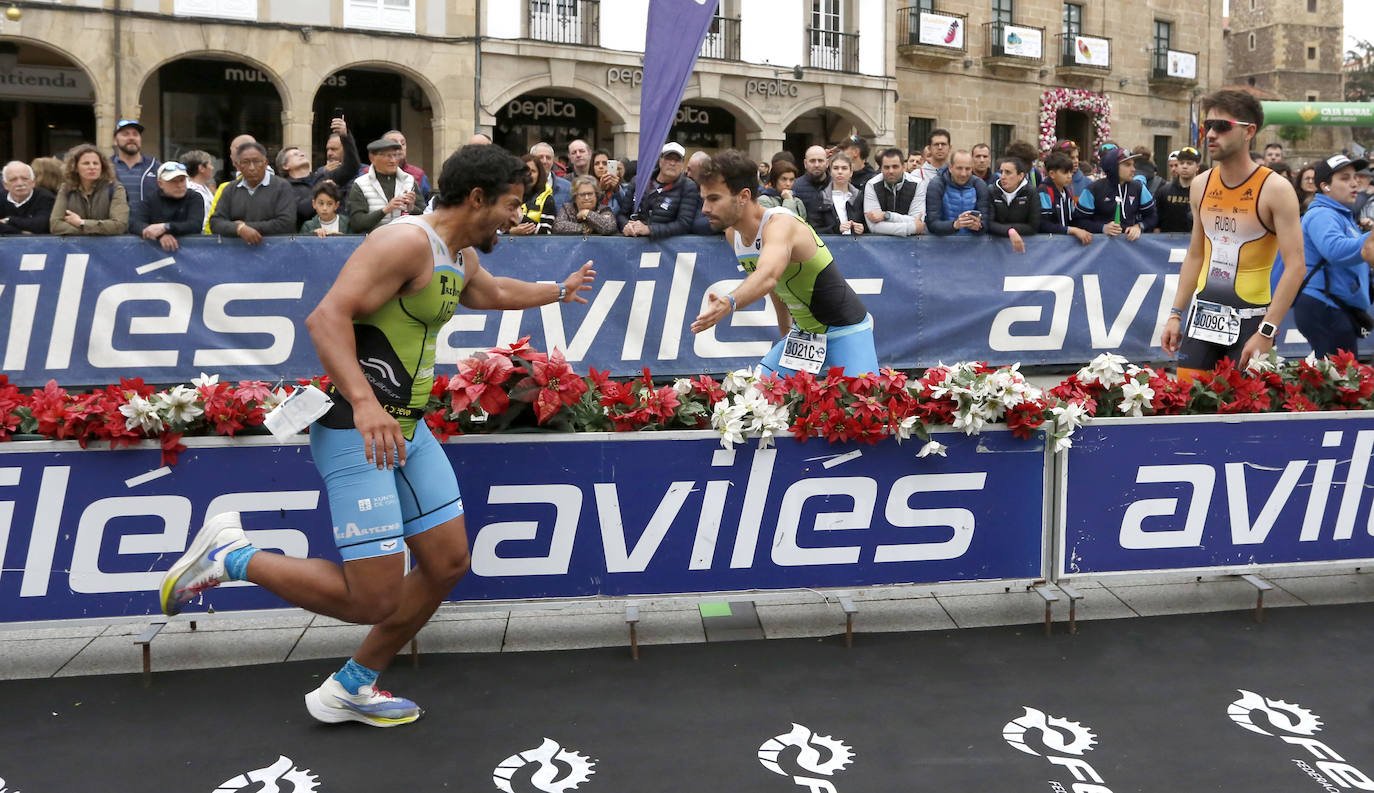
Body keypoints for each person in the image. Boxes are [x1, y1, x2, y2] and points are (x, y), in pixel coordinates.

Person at [159, 143, 597, 728]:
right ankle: (232, 556)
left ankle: (352, 685)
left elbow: (488, 293)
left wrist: (555, 291)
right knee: (373, 598)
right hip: (356, 428)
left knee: (446, 564)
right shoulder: (404, 242)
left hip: (407, 430)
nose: (515, 218)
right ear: (476, 198)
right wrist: (366, 405)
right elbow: (326, 318)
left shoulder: (457, 253)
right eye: (511, 205)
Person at [1161, 89, 1307, 379]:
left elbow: (1296, 266)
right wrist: (1175, 314)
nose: (1211, 134)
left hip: (1251, 322)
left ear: (1248, 131)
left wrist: (1267, 331)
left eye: (1222, 126)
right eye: (1208, 126)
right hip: (1202, 318)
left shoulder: (1275, 189)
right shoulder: (1201, 184)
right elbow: (1196, 254)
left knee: (1242, 416)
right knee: (1188, 408)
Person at [691, 149, 876, 377]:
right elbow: (777, 287)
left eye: (714, 199)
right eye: (704, 199)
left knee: (865, 408)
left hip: (845, 329)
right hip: (805, 335)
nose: (705, 209)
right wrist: (786, 334)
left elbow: (768, 276)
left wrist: (729, 302)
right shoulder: (734, 233)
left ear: (743, 196)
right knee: (759, 395)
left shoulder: (780, 224)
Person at [1281, 154, 1374, 358]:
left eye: (1354, 177)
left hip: (1335, 307)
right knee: (1339, 381)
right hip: (1324, 306)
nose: (1354, 182)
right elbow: (1335, 250)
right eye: (1344, 178)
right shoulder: (1322, 214)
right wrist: (1369, 239)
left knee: (1340, 379)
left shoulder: (1340, 215)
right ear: (1325, 186)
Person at [207, 141, 297, 244]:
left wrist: (245, 227)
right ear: (238, 165)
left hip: (275, 250)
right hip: (237, 252)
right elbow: (215, 222)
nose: (252, 168)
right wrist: (239, 229)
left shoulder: (282, 186)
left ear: (265, 163)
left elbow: (286, 223)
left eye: (256, 161)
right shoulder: (230, 189)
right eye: (245, 162)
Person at [280, 116, 361, 226]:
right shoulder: (283, 187)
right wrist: (322, 189)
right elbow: (302, 211)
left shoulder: (323, 176)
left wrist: (345, 136)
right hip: (306, 237)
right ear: (285, 165)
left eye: (301, 152)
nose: (302, 154)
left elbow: (351, 167)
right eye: (295, 155)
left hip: (338, 235)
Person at [616, 142, 700, 238]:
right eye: (668, 158)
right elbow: (621, 215)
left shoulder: (688, 187)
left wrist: (649, 229)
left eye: (677, 160)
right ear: (660, 160)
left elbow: (684, 224)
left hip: (665, 248)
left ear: (682, 164)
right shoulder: (639, 181)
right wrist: (626, 226)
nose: (672, 163)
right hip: (633, 244)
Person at [1072, 147, 1156, 240]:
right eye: (1128, 165)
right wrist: (1103, 228)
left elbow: (1152, 215)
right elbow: (1078, 221)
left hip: (1131, 248)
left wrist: (1139, 226)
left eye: (1133, 165)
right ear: (1113, 167)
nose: (1133, 169)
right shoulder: (1093, 189)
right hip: (1100, 248)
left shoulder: (1139, 188)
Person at [49, 143, 129, 236]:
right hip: (76, 248)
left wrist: (81, 223)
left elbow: (119, 225)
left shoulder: (115, 188)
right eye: (86, 163)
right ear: (75, 167)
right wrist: (93, 230)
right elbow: (55, 225)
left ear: (102, 167)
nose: (92, 167)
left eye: (96, 163)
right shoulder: (66, 188)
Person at [129, 161, 205, 251]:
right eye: (173, 181)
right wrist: (159, 235)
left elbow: (195, 225)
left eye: (182, 180)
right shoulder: (151, 198)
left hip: (192, 252)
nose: (179, 185)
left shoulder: (194, 197)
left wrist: (166, 227)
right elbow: (134, 223)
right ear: (160, 183)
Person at [347, 138, 417, 234]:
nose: (393, 160)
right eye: (387, 156)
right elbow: (357, 223)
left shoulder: (409, 180)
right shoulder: (360, 184)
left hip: (403, 239)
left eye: (396, 155)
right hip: (373, 241)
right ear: (372, 158)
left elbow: (424, 216)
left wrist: (411, 208)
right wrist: (385, 210)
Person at [925, 149, 989, 236]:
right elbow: (932, 224)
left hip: (972, 244)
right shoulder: (937, 184)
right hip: (942, 244)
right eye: (959, 168)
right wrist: (955, 225)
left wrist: (979, 226)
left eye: (968, 169)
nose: (963, 173)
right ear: (950, 168)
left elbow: (986, 222)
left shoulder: (979, 184)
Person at [862, 147, 923, 236]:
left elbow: (917, 219)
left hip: (912, 243)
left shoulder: (918, 184)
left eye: (895, 167)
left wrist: (886, 216)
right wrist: (911, 228)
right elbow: (873, 226)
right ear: (881, 168)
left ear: (903, 167)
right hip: (881, 244)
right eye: (886, 167)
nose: (891, 171)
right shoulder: (872, 184)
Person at [1038, 151, 1093, 245]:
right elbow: (1043, 225)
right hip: (1047, 246)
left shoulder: (1067, 193)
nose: (1069, 176)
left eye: (1070, 172)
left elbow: (1072, 219)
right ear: (1052, 174)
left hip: (1064, 246)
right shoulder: (1044, 192)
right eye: (1065, 172)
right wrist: (1072, 230)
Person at [988, 156, 1037, 253]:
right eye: (1001, 172)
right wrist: (1010, 231)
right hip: (994, 248)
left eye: (1008, 172)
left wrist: (1008, 229)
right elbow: (988, 223)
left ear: (1020, 176)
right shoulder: (991, 191)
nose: (1003, 176)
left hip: (1023, 248)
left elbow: (1033, 226)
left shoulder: (1031, 192)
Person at [812, 152, 864, 235]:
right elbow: (814, 229)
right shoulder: (821, 197)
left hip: (856, 244)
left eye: (844, 168)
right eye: (836, 168)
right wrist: (836, 229)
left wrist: (862, 228)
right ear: (830, 172)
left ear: (851, 172)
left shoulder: (859, 197)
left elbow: (868, 224)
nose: (840, 172)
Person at [111, 119, 160, 206]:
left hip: (148, 219)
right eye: (125, 134)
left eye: (135, 134)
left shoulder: (155, 166)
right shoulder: (106, 167)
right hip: (116, 219)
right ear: (115, 140)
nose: (131, 138)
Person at [0, 160, 55, 236]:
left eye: (25, 179)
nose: (20, 183)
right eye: (13, 179)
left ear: (33, 182)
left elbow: (41, 225)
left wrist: (9, 220)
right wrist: (21, 233)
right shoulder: (1, 197)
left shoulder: (45, 198)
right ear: (5, 184)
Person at [1154, 146, 1200, 233]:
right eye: (1182, 163)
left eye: (1189, 163)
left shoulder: (1203, 192)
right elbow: (1156, 222)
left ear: (1197, 167)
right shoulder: (1164, 191)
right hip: (1167, 242)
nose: (1185, 166)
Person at [510, 154, 554, 235]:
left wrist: (521, 217)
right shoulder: (508, 196)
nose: (528, 175)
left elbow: (547, 232)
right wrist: (511, 232)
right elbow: (495, 229)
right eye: (525, 171)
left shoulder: (547, 199)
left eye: (533, 171)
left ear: (539, 174)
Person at [383, 130, 432, 203]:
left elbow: (426, 206)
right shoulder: (367, 173)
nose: (400, 146)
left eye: (403, 143)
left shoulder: (419, 175)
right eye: (394, 143)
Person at [791, 145, 833, 224]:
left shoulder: (837, 186)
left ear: (827, 163)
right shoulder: (795, 187)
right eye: (812, 161)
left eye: (820, 161)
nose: (816, 165)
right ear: (805, 163)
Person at [530, 142, 571, 211]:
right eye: (540, 157)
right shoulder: (523, 186)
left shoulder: (567, 187)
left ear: (553, 161)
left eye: (548, 158)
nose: (544, 161)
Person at [179, 150, 217, 216]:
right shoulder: (190, 191)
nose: (212, 168)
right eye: (210, 164)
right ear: (201, 168)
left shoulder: (204, 187)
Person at [590, 149, 623, 216]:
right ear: (592, 167)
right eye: (597, 163)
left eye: (605, 163)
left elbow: (627, 208)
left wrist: (617, 190)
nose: (601, 166)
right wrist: (600, 190)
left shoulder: (623, 187)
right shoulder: (587, 187)